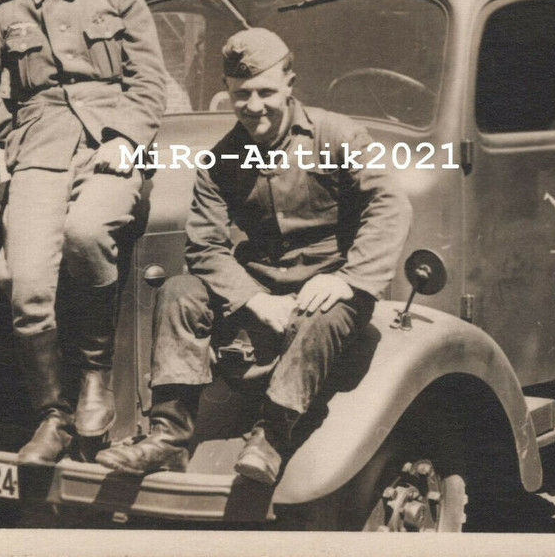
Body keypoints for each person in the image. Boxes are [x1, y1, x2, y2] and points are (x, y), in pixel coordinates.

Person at [96, 28, 412, 485]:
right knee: (181, 290)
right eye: (241, 94)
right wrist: (253, 300)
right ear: (228, 92)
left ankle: (272, 435)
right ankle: (168, 434)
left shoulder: (338, 136)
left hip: (331, 287)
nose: (254, 105)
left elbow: (388, 205)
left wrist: (348, 278)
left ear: (289, 84)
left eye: (266, 91)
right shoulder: (222, 159)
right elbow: (205, 245)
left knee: (323, 313)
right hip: (260, 287)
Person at [0, 0, 167, 464]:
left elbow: (149, 83)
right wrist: (19, 130)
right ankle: (53, 416)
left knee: (88, 232)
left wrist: (127, 139)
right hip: (39, 150)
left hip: (112, 146)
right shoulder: (0, 13)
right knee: (24, 284)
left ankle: (95, 375)